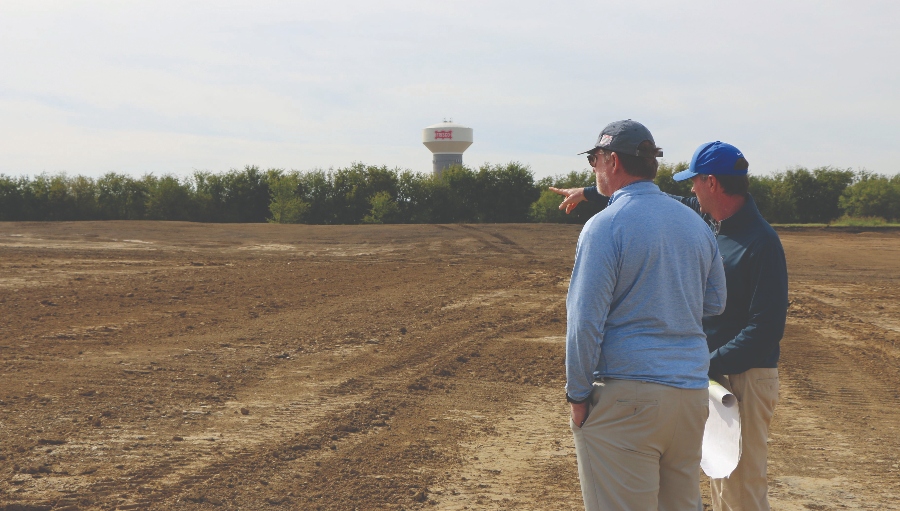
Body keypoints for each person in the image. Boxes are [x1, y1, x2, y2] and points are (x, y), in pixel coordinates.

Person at [555, 141, 789, 511]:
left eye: (694, 181)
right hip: (698, 380)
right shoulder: (709, 224)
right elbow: (654, 204)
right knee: (716, 484)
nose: (690, 189)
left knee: (740, 488)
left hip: (745, 377)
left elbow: (765, 328)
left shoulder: (760, 242)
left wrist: (707, 362)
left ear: (711, 182)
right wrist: (589, 191)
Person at [565, 120, 727, 511]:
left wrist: (578, 395)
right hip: (689, 396)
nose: (593, 167)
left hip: (628, 398)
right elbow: (716, 302)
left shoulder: (604, 226)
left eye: (594, 159)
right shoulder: (695, 223)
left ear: (613, 161)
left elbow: (585, 322)